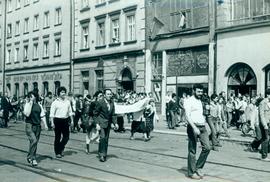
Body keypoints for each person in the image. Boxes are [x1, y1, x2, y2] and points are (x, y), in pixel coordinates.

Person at [184, 84, 211, 180]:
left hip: (202, 126)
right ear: (194, 91)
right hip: (193, 127)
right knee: (192, 150)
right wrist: (194, 127)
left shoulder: (202, 100)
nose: (200, 93)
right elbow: (187, 116)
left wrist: (207, 124)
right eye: (198, 91)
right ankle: (191, 173)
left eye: (201, 91)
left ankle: (198, 167)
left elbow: (204, 114)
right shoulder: (188, 101)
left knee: (207, 147)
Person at [93, 89, 118, 162]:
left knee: (106, 139)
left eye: (110, 94)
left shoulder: (112, 103)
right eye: (108, 94)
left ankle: (104, 153)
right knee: (103, 138)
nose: (109, 95)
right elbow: (95, 114)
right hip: (101, 123)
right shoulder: (100, 102)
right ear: (104, 95)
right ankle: (101, 154)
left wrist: (115, 123)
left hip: (108, 124)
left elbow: (113, 114)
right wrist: (97, 124)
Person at [23, 91, 46, 166]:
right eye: (30, 97)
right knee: (34, 140)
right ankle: (32, 158)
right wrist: (30, 103)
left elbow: (42, 115)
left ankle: (30, 156)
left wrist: (45, 125)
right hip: (29, 125)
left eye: (32, 96)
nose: (31, 98)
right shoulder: (27, 104)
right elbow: (27, 114)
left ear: (35, 97)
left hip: (37, 125)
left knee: (34, 143)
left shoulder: (39, 105)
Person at [50, 87, 74, 158]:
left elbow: (70, 112)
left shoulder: (67, 102)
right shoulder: (55, 102)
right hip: (57, 121)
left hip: (65, 120)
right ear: (59, 93)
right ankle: (57, 152)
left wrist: (72, 120)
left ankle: (61, 147)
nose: (63, 93)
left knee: (66, 137)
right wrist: (52, 123)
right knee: (57, 137)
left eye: (64, 92)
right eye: (62, 92)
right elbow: (52, 114)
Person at [249, 89, 270, 161]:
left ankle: (264, 152)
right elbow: (261, 115)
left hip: (268, 123)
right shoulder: (262, 103)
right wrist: (265, 125)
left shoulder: (268, 102)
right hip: (264, 123)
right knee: (265, 139)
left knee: (267, 139)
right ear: (268, 95)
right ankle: (264, 156)